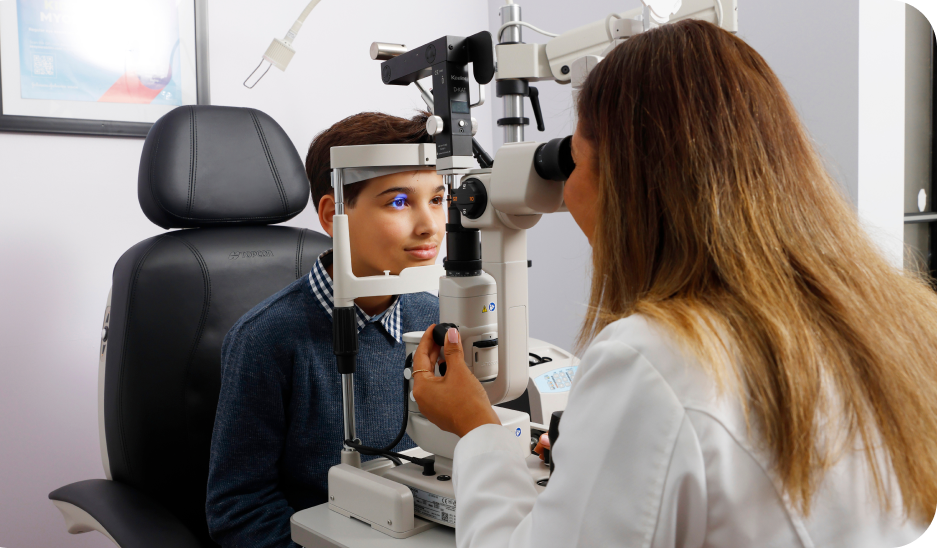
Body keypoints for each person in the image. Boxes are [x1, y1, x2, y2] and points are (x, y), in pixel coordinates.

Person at [412, 20, 935, 547]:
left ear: (628, 182)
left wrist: (478, 428)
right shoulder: (903, 321)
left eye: (575, 158)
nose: (567, 187)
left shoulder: (655, 359)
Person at [206, 112, 445, 547]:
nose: (430, 224)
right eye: (398, 201)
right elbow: (238, 509)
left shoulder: (438, 318)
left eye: (437, 199)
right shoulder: (265, 339)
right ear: (335, 215)